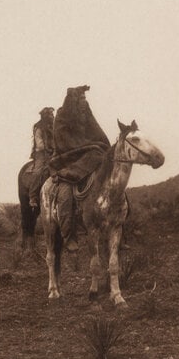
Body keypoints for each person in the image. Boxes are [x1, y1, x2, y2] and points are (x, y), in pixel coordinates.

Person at [48, 85, 111, 251]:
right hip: (66, 159)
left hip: (89, 155)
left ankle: (118, 230)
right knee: (65, 194)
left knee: (112, 183)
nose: (84, 101)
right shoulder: (62, 116)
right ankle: (69, 235)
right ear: (74, 101)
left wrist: (105, 147)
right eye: (81, 99)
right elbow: (63, 141)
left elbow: (98, 133)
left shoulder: (86, 114)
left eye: (85, 98)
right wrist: (88, 146)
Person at [28, 107, 55, 208]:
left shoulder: (54, 127)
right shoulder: (38, 128)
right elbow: (39, 144)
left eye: (52, 115)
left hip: (53, 153)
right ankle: (33, 197)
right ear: (45, 116)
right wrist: (49, 148)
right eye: (50, 115)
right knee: (38, 172)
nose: (52, 117)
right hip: (41, 154)